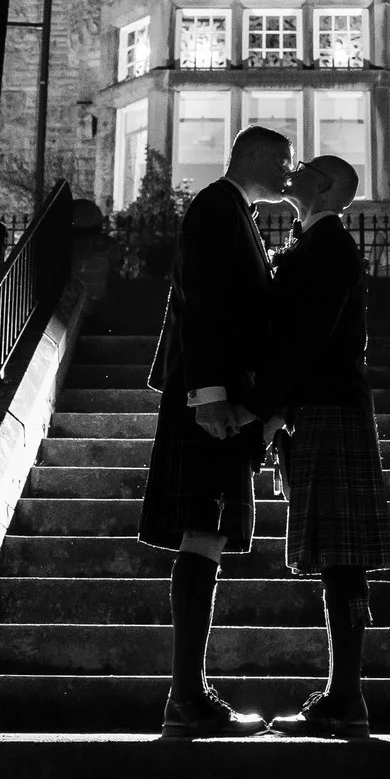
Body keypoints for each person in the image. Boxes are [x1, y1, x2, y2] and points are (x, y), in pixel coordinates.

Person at [137, 125, 292, 737]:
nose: (289, 170)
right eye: (283, 160)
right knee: (202, 533)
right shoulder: (215, 205)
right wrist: (208, 394)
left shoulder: (237, 213)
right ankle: (187, 700)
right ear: (251, 155)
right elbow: (199, 302)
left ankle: (188, 698)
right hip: (210, 402)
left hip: (222, 399)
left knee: (209, 535)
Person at [253, 155, 390, 739]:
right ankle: (344, 697)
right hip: (324, 407)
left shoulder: (330, 246)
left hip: (327, 406)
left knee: (341, 554)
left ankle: (345, 698)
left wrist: (274, 407)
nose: (294, 171)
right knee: (337, 552)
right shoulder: (312, 242)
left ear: (328, 187)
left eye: (307, 167)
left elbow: (306, 337)